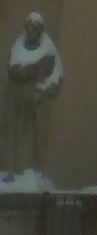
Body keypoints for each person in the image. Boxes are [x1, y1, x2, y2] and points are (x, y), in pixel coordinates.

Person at [0, 12, 64, 181]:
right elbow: (13, 68)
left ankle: (27, 172)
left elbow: (56, 77)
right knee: (11, 137)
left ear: (39, 31)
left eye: (34, 29)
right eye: (28, 28)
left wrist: (44, 90)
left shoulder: (48, 51)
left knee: (31, 141)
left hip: (35, 106)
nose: (30, 32)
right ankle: (10, 172)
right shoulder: (18, 47)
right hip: (14, 104)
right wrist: (29, 70)